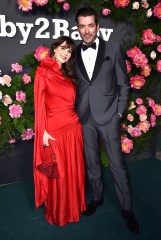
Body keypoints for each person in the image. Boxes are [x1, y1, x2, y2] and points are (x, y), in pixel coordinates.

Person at [75, 7, 139, 233]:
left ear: (97, 26)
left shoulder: (113, 49)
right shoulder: (74, 53)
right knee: (91, 163)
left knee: (117, 166)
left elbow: (124, 84)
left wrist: (119, 113)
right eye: (82, 26)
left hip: (109, 116)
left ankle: (127, 209)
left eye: (90, 25)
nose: (87, 31)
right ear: (78, 28)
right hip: (85, 118)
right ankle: (98, 197)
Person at [33, 36, 86, 226]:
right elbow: (39, 105)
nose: (65, 53)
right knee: (60, 174)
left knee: (73, 170)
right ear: (54, 48)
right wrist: (43, 132)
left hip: (73, 129)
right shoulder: (43, 71)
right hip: (54, 130)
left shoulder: (68, 73)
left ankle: (73, 208)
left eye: (69, 50)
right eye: (63, 48)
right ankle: (60, 212)